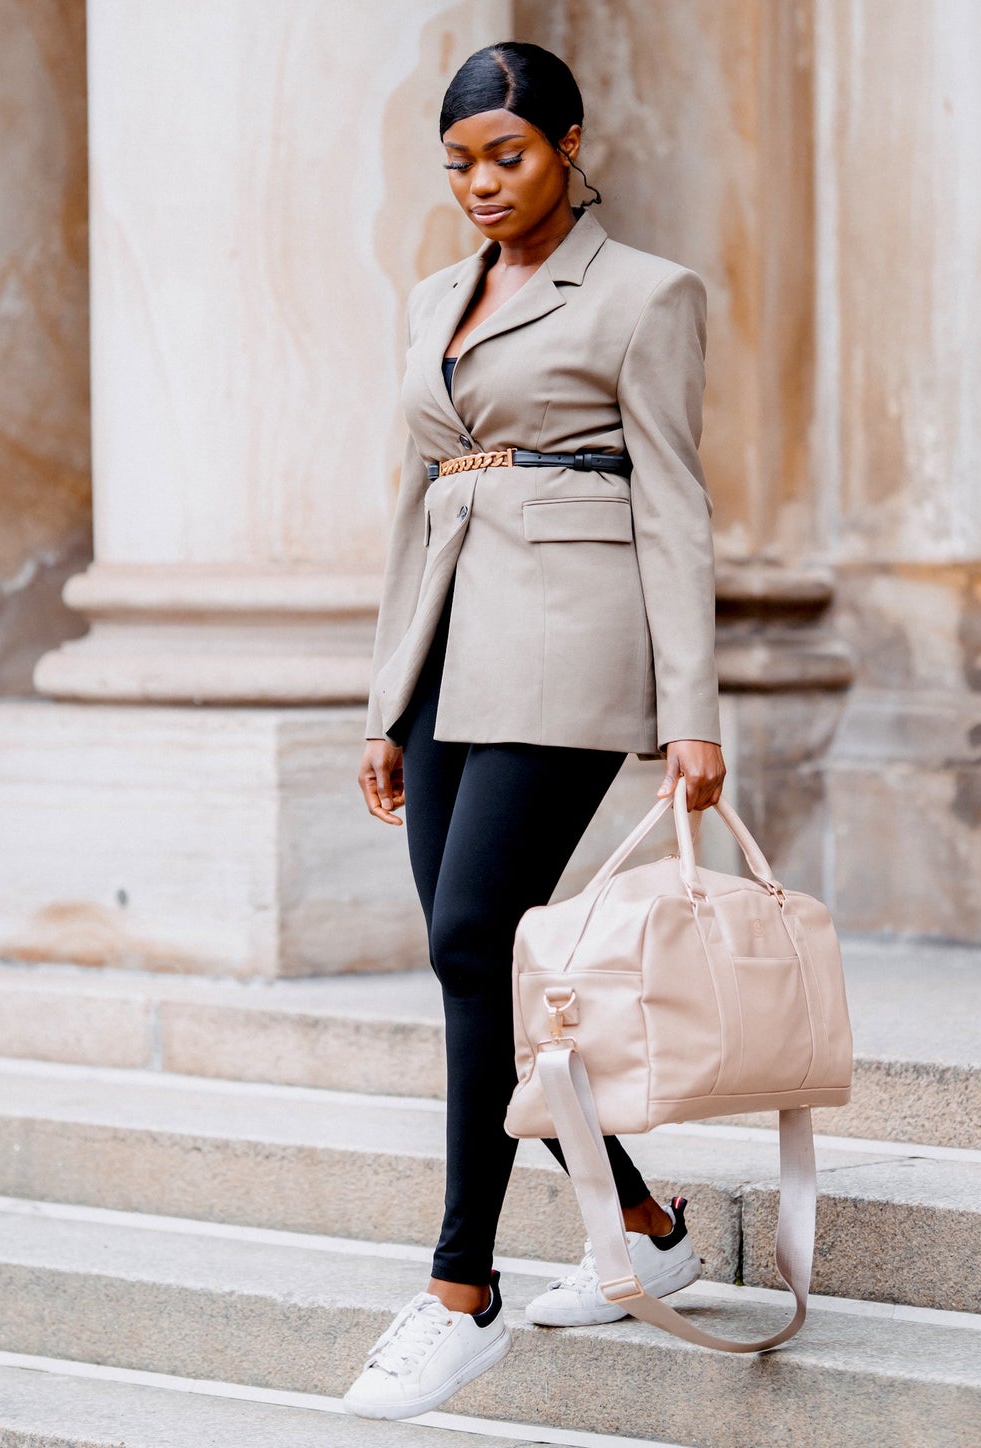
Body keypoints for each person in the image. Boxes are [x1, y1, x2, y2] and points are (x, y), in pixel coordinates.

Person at [347, 40, 726, 1421]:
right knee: (483, 964)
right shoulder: (431, 297)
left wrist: (691, 710)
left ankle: (461, 1289)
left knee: (467, 940)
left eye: (505, 154)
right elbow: (414, 501)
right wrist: (386, 702)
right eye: (457, 162)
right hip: (451, 652)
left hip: (571, 641)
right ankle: (644, 1229)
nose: (480, 184)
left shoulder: (642, 295)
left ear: (568, 143)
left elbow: (676, 503)